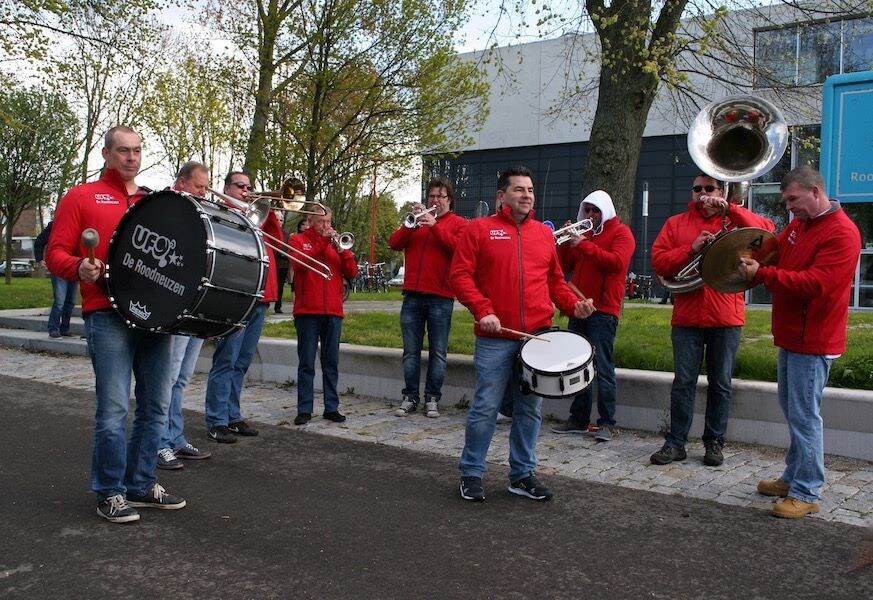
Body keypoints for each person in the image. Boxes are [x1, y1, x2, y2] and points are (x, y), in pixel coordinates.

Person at [46, 125, 186, 523]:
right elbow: (54, 254)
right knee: (112, 409)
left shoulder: (154, 202)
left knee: (156, 407)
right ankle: (109, 491)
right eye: (123, 151)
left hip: (156, 317)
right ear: (106, 154)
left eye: (137, 151)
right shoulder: (80, 196)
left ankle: (141, 484)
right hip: (106, 313)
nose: (131, 157)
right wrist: (79, 267)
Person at [450, 166, 595, 502]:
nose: (527, 195)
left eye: (530, 190)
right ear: (502, 196)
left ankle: (523, 474)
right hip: (495, 337)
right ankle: (471, 473)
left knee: (530, 410)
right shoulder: (479, 230)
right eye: (519, 189)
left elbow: (555, 282)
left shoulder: (543, 235)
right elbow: (459, 276)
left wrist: (574, 306)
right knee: (485, 408)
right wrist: (482, 310)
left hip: (536, 338)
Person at [739, 166, 861, 518]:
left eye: (793, 199)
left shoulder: (842, 233)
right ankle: (793, 478)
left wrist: (761, 274)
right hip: (794, 335)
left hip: (814, 339)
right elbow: (777, 252)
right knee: (794, 413)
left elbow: (814, 284)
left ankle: (807, 491)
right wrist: (750, 255)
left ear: (815, 192)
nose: (789, 207)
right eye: (786, 200)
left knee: (805, 417)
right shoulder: (801, 225)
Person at [650, 174, 774, 467]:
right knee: (683, 383)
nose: (702, 194)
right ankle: (676, 442)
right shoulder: (675, 224)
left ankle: (714, 443)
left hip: (726, 316)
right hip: (687, 317)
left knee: (721, 383)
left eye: (709, 189)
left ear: (721, 191)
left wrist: (729, 209)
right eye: (697, 189)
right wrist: (691, 249)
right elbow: (659, 262)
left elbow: (767, 232)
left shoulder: (733, 221)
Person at [203, 171, 284, 443]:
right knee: (226, 360)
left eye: (250, 187)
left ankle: (233, 415)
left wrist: (266, 206)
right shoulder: (223, 214)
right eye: (241, 186)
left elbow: (276, 239)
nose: (247, 191)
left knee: (242, 362)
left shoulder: (257, 214)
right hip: (237, 298)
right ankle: (217, 419)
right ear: (227, 188)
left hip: (260, 298)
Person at [552, 190, 635, 441]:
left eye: (595, 210)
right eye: (587, 210)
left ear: (606, 210)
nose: (590, 215)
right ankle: (578, 418)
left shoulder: (622, 233)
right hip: (578, 305)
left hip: (603, 310)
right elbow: (564, 267)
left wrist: (584, 245)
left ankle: (607, 422)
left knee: (603, 367)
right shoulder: (583, 235)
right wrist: (567, 242)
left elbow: (617, 262)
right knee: (577, 364)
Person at [388, 176, 467, 418]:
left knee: (438, 352)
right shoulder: (416, 224)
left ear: (449, 201)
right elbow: (394, 243)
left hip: (441, 296)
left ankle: (432, 398)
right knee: (410, 351)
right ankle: (410, 397)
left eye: (440, 197)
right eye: (431, 196)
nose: (435, 200)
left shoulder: (458, 224)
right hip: (412, 294)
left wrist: (436, 226)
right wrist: (409, 225)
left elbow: (459, 249)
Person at [156, 162, 213, 470]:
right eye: (199, 187)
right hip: (175, 302)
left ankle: (175, 438)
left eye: (206, 187)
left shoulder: (199, 210)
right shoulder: (169, 205)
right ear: (181, 182)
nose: (204, 192)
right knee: (169, 376)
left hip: (196, 302)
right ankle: (159, 443)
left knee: (182, 377)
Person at [289, 208, 358, 425]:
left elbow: (352, 271)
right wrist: (322, 244)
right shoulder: (298, 240)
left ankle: (331, 407)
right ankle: (304, 409)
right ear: (310, 222)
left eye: (328, 221)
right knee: (307, 362)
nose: (326, 226)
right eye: (321, 222)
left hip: (333, 311)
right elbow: (300, 264)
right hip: (308, 311)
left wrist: (342, 250)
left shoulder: (335, 245)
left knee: (331, 362)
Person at [34, 220, 78, 338]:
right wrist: (39, 259)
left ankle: (64, 328)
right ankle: (53, 327)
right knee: (60, 300)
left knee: (70, 301)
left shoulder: (78, 224)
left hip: (73, 266)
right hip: (59, 266)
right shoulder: (55, 225)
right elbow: (39, 241)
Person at [274, 178, 306, 314]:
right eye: (277, 219)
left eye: (281, 219)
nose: (279, 221)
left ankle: (278, 306)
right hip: (273, 262)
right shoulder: (270, 231)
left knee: (280, 286)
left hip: (282, 264)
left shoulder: (287, 234)